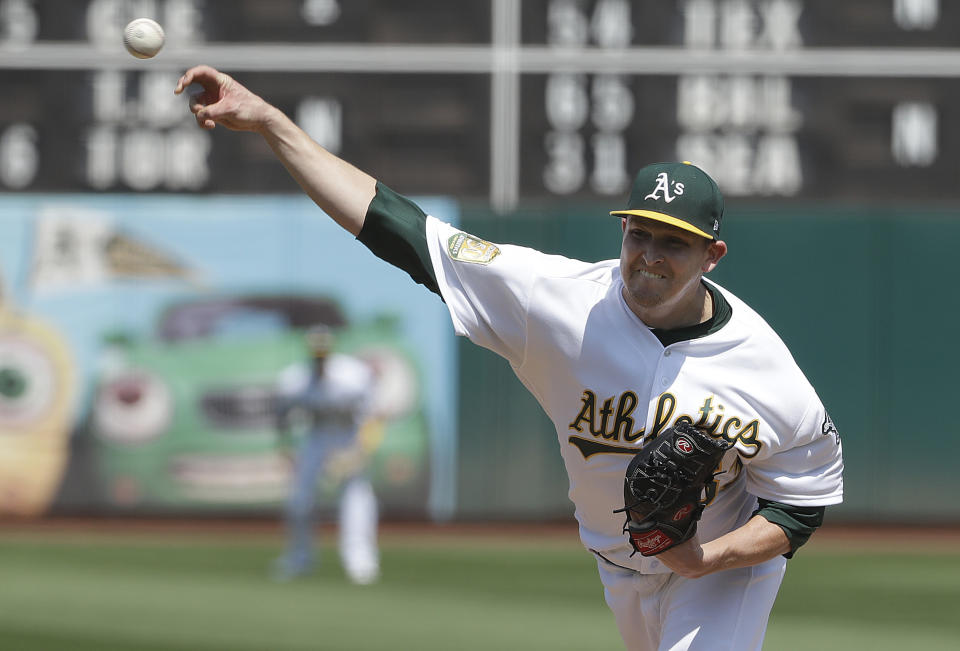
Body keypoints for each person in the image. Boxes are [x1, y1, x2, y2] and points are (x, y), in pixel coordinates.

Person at [176, 66, 843, 650]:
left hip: (722, 571)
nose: (649, 255)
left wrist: (706, 557)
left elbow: (800, 504)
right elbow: (397, 226)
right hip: (616, 561)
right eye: (641, 234)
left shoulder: (763, 370)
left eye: (674, 243)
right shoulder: (550, 300)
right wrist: (269, 122)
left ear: (711, 256)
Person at [272, 324, 381, 585]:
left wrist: (361, 450)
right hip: (317, 436)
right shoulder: (295, 380)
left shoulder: (352, 376)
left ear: (331, 351)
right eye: (316, 353)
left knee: (358, 499)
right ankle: (299, 558)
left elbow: (375, 415)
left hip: (348, 435)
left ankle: (360, 561)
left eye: (324, 352)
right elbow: (281, 416)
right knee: (299, 500)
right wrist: (285, 448)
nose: (320, 357)